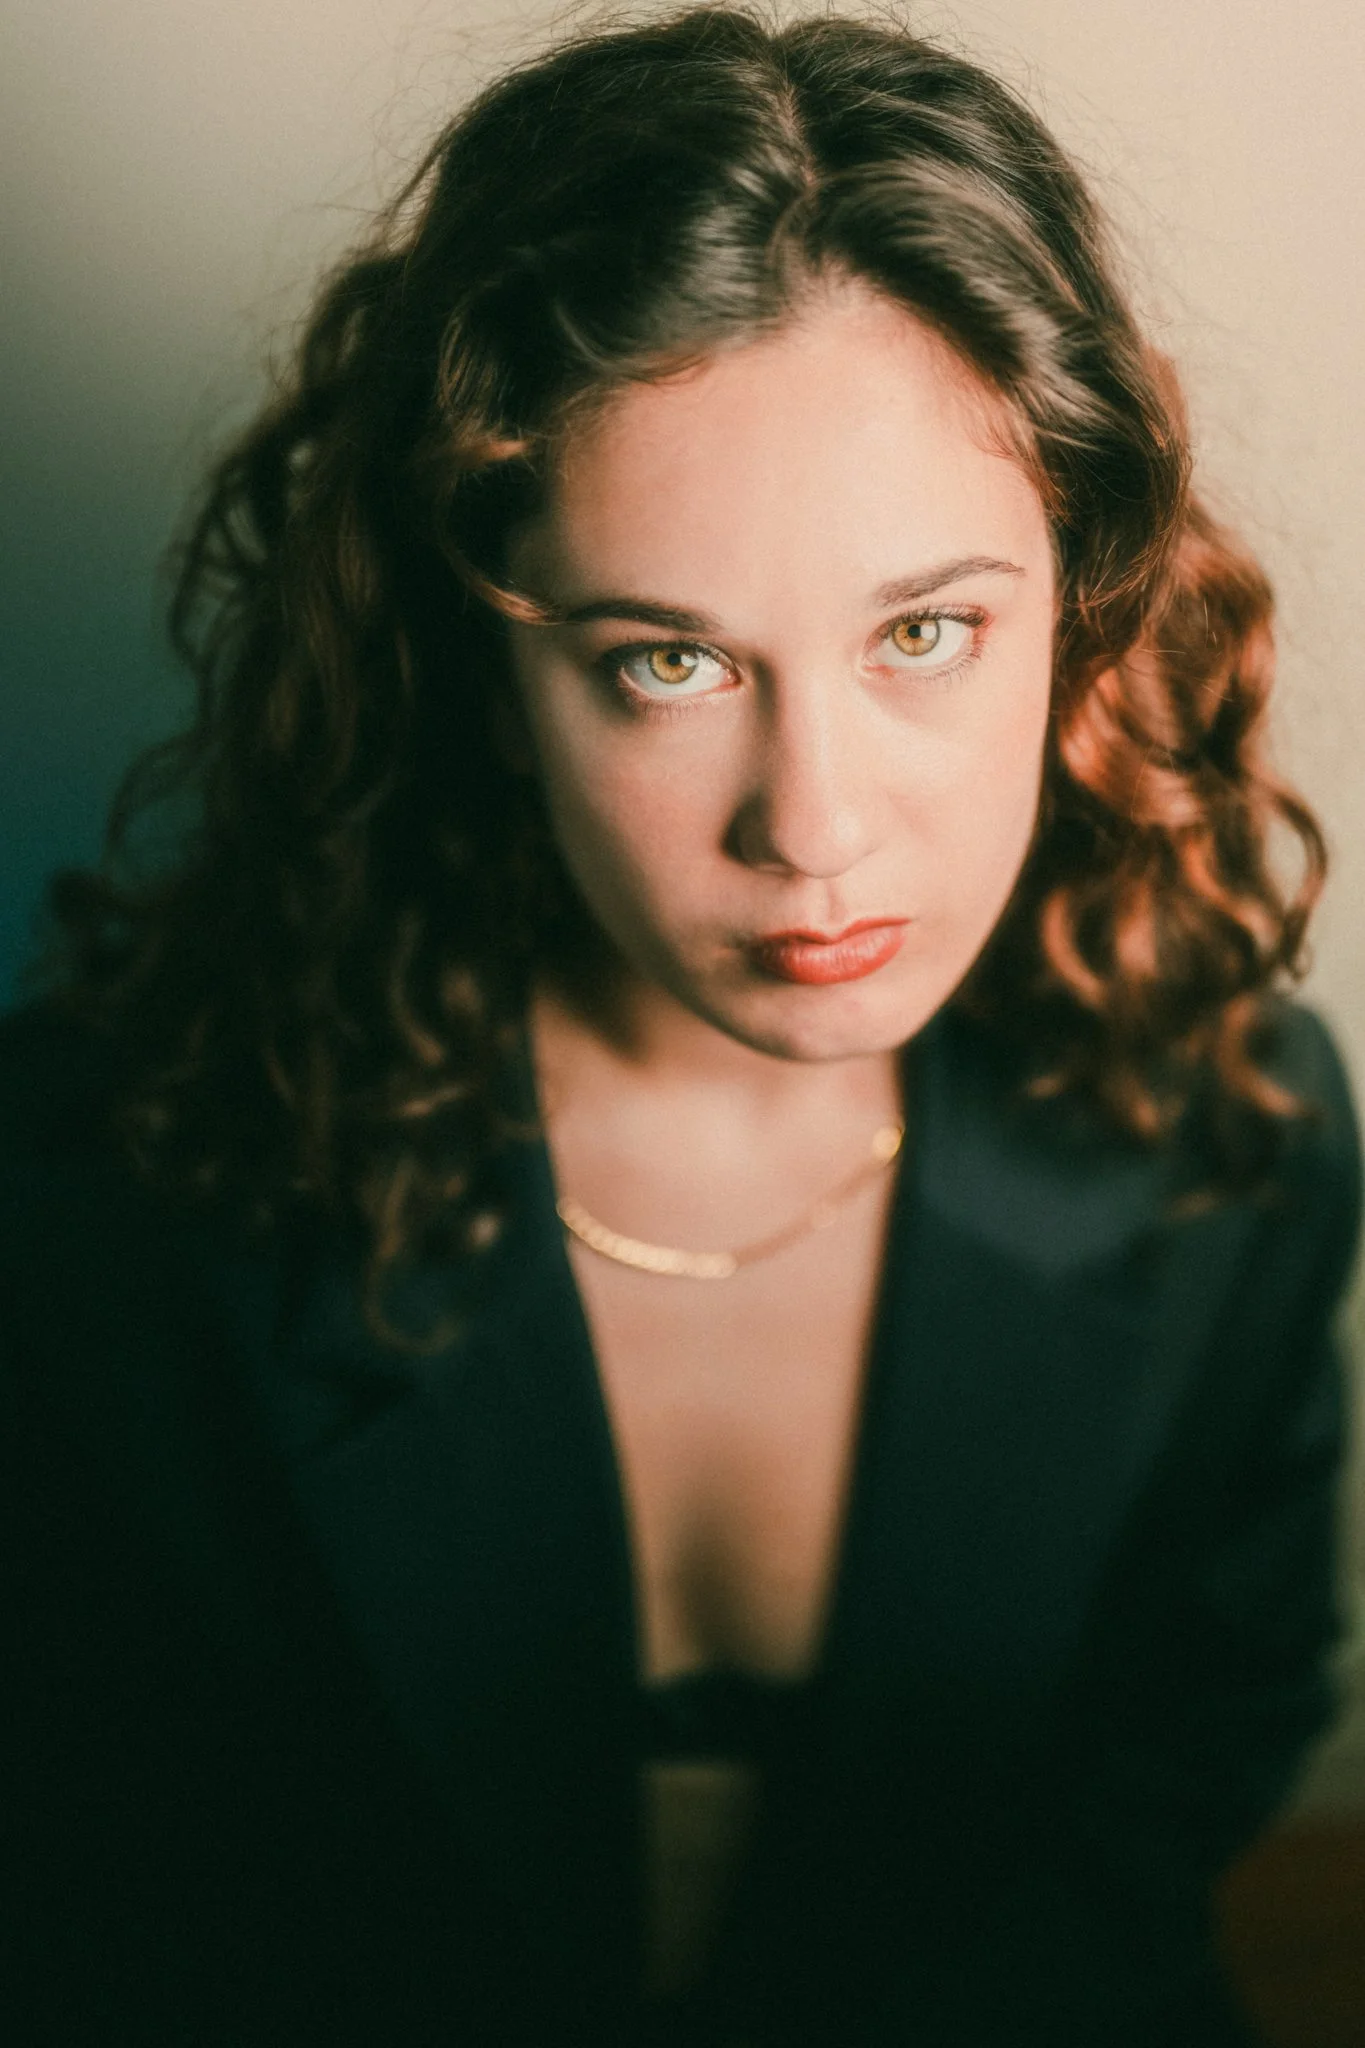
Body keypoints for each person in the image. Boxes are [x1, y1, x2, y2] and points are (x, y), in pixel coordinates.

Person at [3, 7, 1360, 2044]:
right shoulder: (106, 1188)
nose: (811, 825)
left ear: (1075, 600)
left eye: (923, 631)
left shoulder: (1235, 1126)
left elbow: (1196, 1730)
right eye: (665, 662)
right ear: (480, 661)